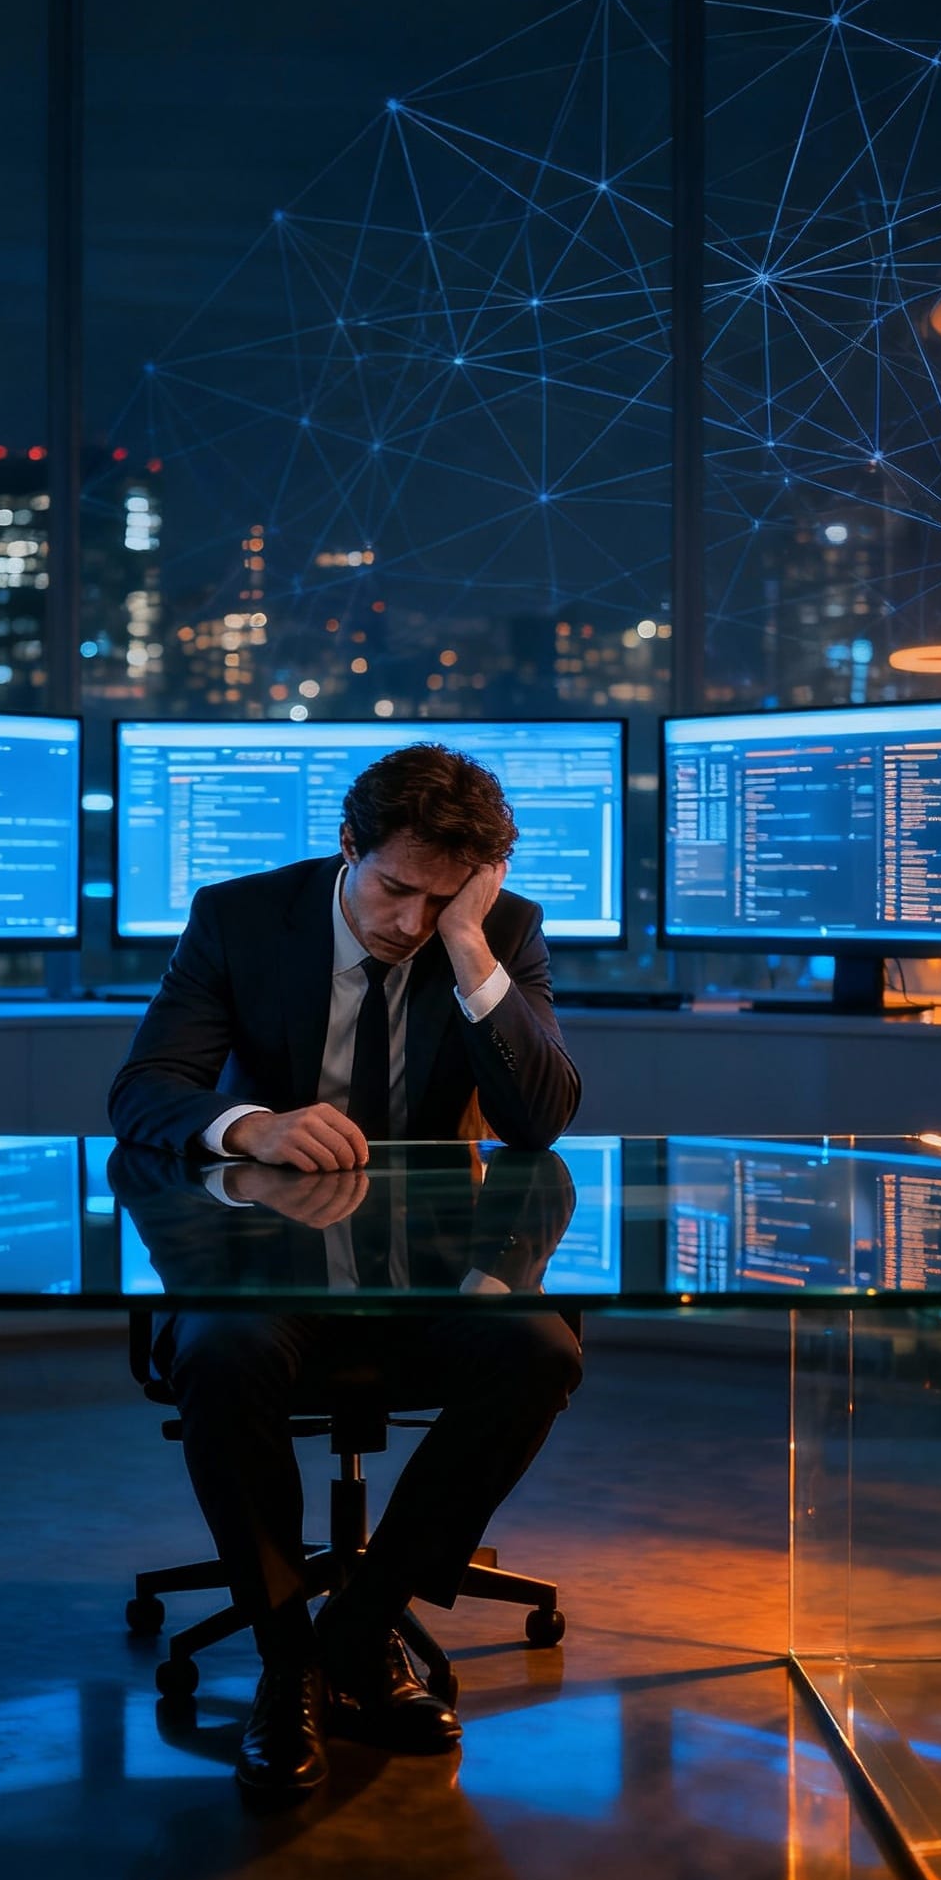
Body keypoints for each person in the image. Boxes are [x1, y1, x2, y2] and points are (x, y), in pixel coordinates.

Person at [107, 742, 583, 1799]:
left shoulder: (498, 931)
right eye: (395, 888)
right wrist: (251, 1124)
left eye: (443, 899)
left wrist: (470, 946)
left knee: (539, 1349)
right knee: (222, 1350)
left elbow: (540, 1119)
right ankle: (285, 1656)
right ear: (346, 845)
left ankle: (356, 1633)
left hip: (434, 1271)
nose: (409, 920)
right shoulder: (239, 916)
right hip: (264, 1265)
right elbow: (143, 1091)